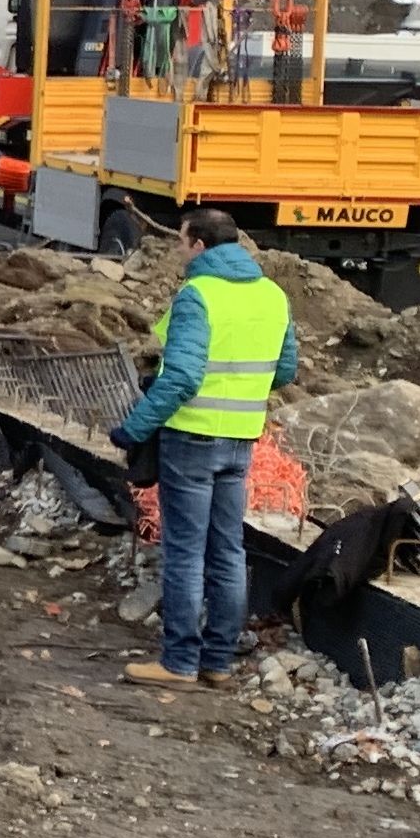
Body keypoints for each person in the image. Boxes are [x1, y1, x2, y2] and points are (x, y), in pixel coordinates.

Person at [110, 209, 297, 691]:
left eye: (180, 241)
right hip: (240, 440)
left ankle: (178, 663)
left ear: (198, 245)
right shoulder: (273, 295)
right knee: (228, 552)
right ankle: (217, 663)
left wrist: (134, 428)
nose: (177, 250)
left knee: (185, 553)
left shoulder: (198, 295)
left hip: (191, 438)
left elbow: (183, 376)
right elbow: (285, 370)